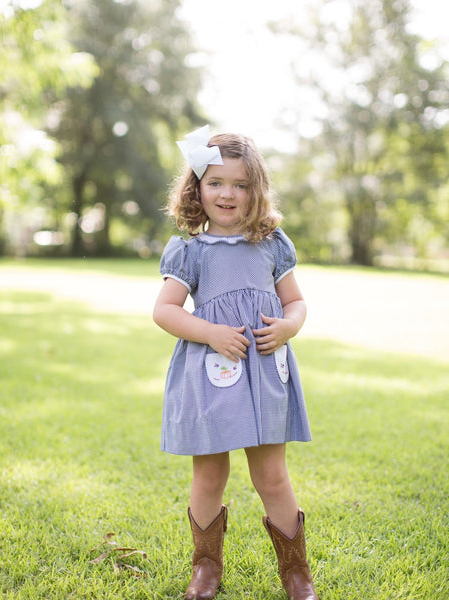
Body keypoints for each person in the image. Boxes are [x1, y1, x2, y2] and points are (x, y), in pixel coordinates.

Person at [153, 125, 319, 600]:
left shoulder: (272, 243)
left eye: (241, 184)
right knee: (209, 474)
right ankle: (205, 567)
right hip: (212, 375)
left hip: (265, 371)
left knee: (271, 474)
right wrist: (211, 333)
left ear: (256, 191)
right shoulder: (189, 251)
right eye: (216, 182)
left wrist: (289, 327)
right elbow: (164, 311)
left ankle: (296, 572)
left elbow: (296, 303)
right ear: (197, 188)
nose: (228, 193)